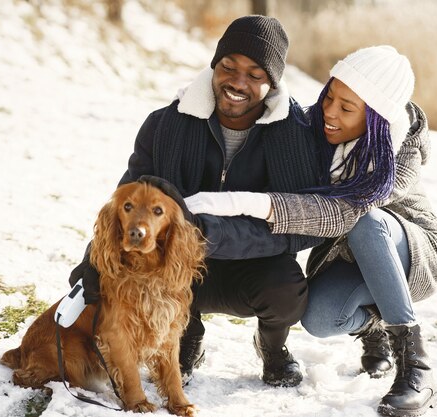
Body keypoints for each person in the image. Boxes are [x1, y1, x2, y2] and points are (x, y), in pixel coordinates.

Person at [185, 45, 437, 416]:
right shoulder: (316, 129)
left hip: (416, 252)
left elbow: (344, 214)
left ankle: (417, 368)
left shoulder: (399, 154)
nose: (330, 112)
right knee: (318, 317)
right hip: (350, 258)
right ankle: (373, 327)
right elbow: (276, 112)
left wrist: (244, 203)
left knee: (366, 220)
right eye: (330, 96)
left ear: (379, 117)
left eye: (347, 108)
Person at [69, 15, 323, 388]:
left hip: (252, 266)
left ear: (272, 83)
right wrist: (93, 260)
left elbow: (299, 230)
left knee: (286, 293)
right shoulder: (165, 124)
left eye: (255, 74)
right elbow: (129, 200)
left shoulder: (294, 138)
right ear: (214, 66)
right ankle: (185, 337)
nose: (237, 82)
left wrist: (212, 233)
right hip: (175, 264)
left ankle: (273, 349)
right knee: (139, 273)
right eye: (228, 67)